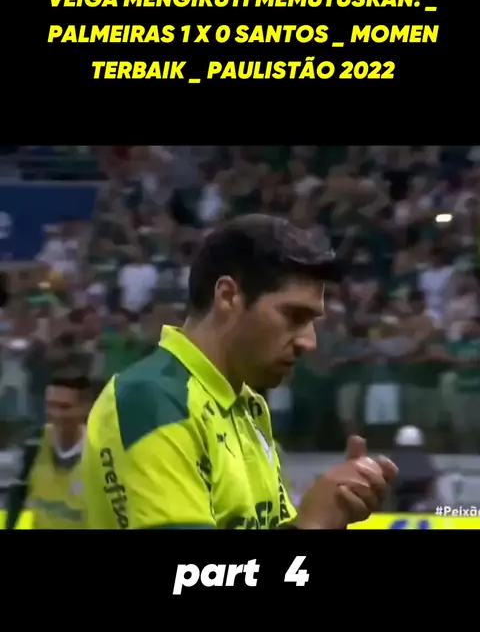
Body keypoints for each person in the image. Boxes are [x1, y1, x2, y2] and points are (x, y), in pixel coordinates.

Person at [82, 215, 397, 530]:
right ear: (228, 296)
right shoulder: (151, 401)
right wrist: (312, 525)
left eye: (312, 321)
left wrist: (333, 512)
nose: (309, 342)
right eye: (294, 316)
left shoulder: (249, 405)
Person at [5, 370, 91, 529]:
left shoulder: (100, 452)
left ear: (85, 408)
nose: (56, 414)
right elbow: (17, 496)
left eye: (64, 407)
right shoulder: (35, 442)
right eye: (50, 405)